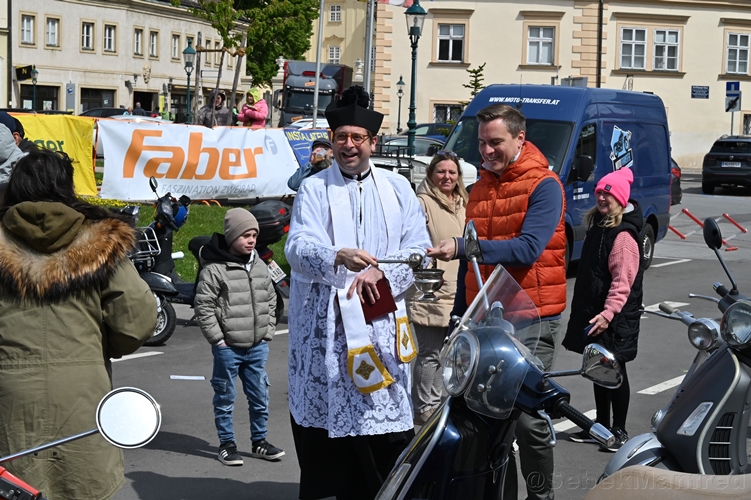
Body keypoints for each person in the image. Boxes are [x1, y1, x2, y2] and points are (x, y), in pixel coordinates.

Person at [284, 85, 431, 500]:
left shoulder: (398, 187)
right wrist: (337, 255)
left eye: (357, 138)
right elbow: (297, 247)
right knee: (329, 443)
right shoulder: (315, 188)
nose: (349, 145)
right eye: (341, 137)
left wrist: (382, 271)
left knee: (383, 442)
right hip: (329, 335)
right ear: (332, 141)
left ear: (373, 142)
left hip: (380, 329)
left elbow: (418, 248)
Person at [0, 148, 156, 500]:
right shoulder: (101, 244)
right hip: (82, 393)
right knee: (81, 483)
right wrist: (97, 349)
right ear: (67, 189)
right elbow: (137, 319)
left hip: (9, 394)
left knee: (14, 486)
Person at [429, 103, 566, 500]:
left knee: (527, 420)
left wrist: (462, 246)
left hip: (532, 317)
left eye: (495, 142)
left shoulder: (545, 185)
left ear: (520, 138)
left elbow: (527, 250)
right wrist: (459, 316)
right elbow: (471, 265)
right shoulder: (481, 187)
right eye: (481, 143)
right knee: (484, 418)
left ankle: (541, 496)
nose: (486, 151)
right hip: (485, 319)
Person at [194, 208, 285, 466]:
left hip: (257, 346)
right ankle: (227, 445)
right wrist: (218, 340)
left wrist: (267, 332)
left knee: (260, 397)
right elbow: (204, 306)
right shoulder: (215, 270)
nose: (251, 240)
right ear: (231, 236)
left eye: (254, 235)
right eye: (245, 235)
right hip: (228, 349)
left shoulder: (259, 265)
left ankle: (259, 442)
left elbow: (271, 299)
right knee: (225, 398)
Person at [563, 167, 643, 452]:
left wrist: (609, 314)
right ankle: (601, 427)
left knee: (615, 370)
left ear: (620, 199)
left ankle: (619, 430)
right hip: (596, 312)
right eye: (599, 192)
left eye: (607, 194)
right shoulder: (599, 224)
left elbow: (622, 282)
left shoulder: (623, 236)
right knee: (599, 367)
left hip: (615, 316)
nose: (601, 198)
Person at [408, 150, 467, 425]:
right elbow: (412, 244)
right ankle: (424, 408)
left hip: (461, 289)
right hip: (432, 290)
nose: (447, 176)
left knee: (452, 353)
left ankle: (439, 403)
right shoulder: (422, 203)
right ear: (431, 174)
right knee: (430, 352)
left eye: (452, 172)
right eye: (441, 171)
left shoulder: (464, 202)